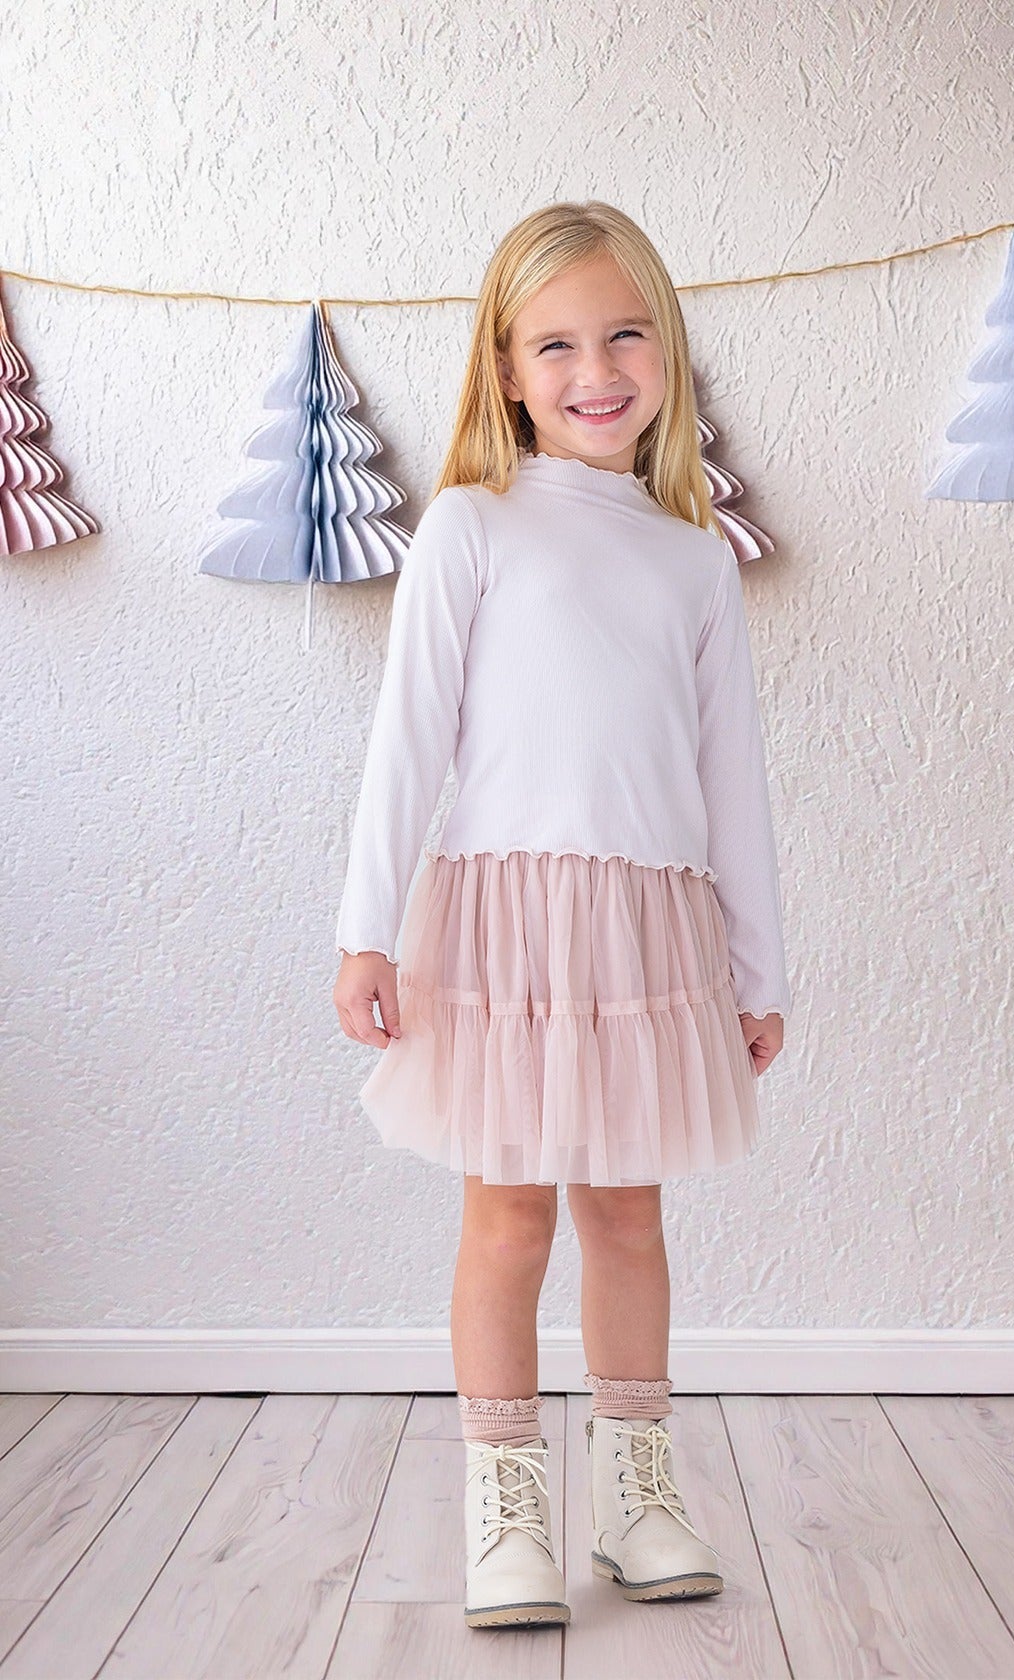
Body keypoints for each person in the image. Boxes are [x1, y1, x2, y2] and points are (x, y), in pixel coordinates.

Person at [332, 200, 790, 1631]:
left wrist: (758, 968)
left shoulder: (695, 555)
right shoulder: (471, 528)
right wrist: (365, 930)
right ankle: (506, 1504)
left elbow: (735, 784)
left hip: (650, 931)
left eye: (624, 333)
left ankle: (641, 1492)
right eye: (558, 344)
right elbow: (405, 741)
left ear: (666, 350)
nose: (597, 368)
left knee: (629, 1214)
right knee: (508, 1213)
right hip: (498, 923)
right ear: (509, 369)